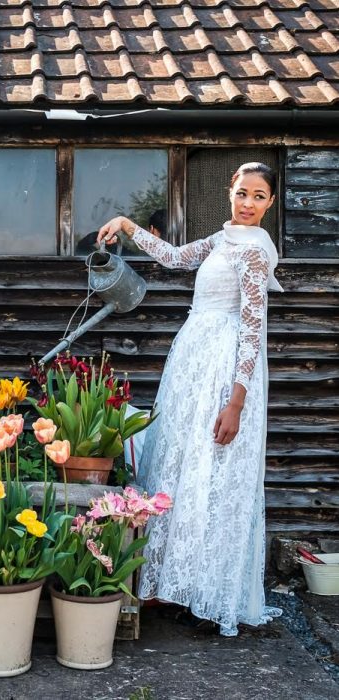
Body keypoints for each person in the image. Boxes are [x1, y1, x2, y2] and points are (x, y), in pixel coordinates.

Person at [97, 162, 283, 637]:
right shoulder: (223, 240)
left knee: (216, 476)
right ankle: (188, 587)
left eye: (259, 196)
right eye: (242, 193)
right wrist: (126, 224)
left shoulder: (256, 255)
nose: (248, 203)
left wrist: (236, 401)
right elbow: (176, 258)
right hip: (194, 365)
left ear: (270, 203)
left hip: (224, 373)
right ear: (230, 192)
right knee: (187, 470)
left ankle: (213, 595)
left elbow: (252, 329)